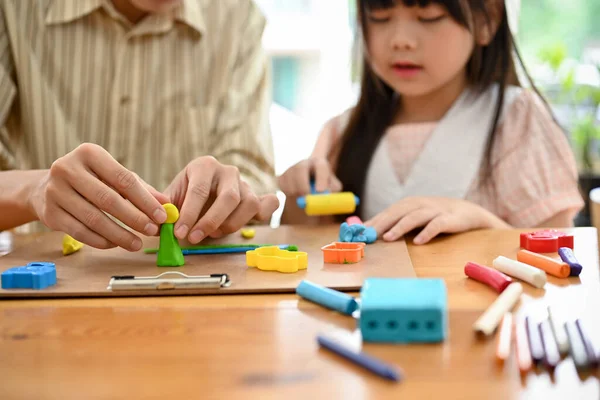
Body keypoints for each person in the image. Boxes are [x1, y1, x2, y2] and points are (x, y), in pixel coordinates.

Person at [278, 0, 584, 244]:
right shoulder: (340, 132)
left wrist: (480, 221)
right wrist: (298, 200)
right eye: (380, 16)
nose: (400, 40)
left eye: (429, 16)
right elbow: (308, 252)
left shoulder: (517, 121)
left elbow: (560, 258)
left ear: (486, 18)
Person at [0, 0, 279, 251]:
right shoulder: (14, 9)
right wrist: (33, 190)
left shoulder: (238, 17)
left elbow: (252, 177)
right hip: (48, 289)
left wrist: (227, 197)